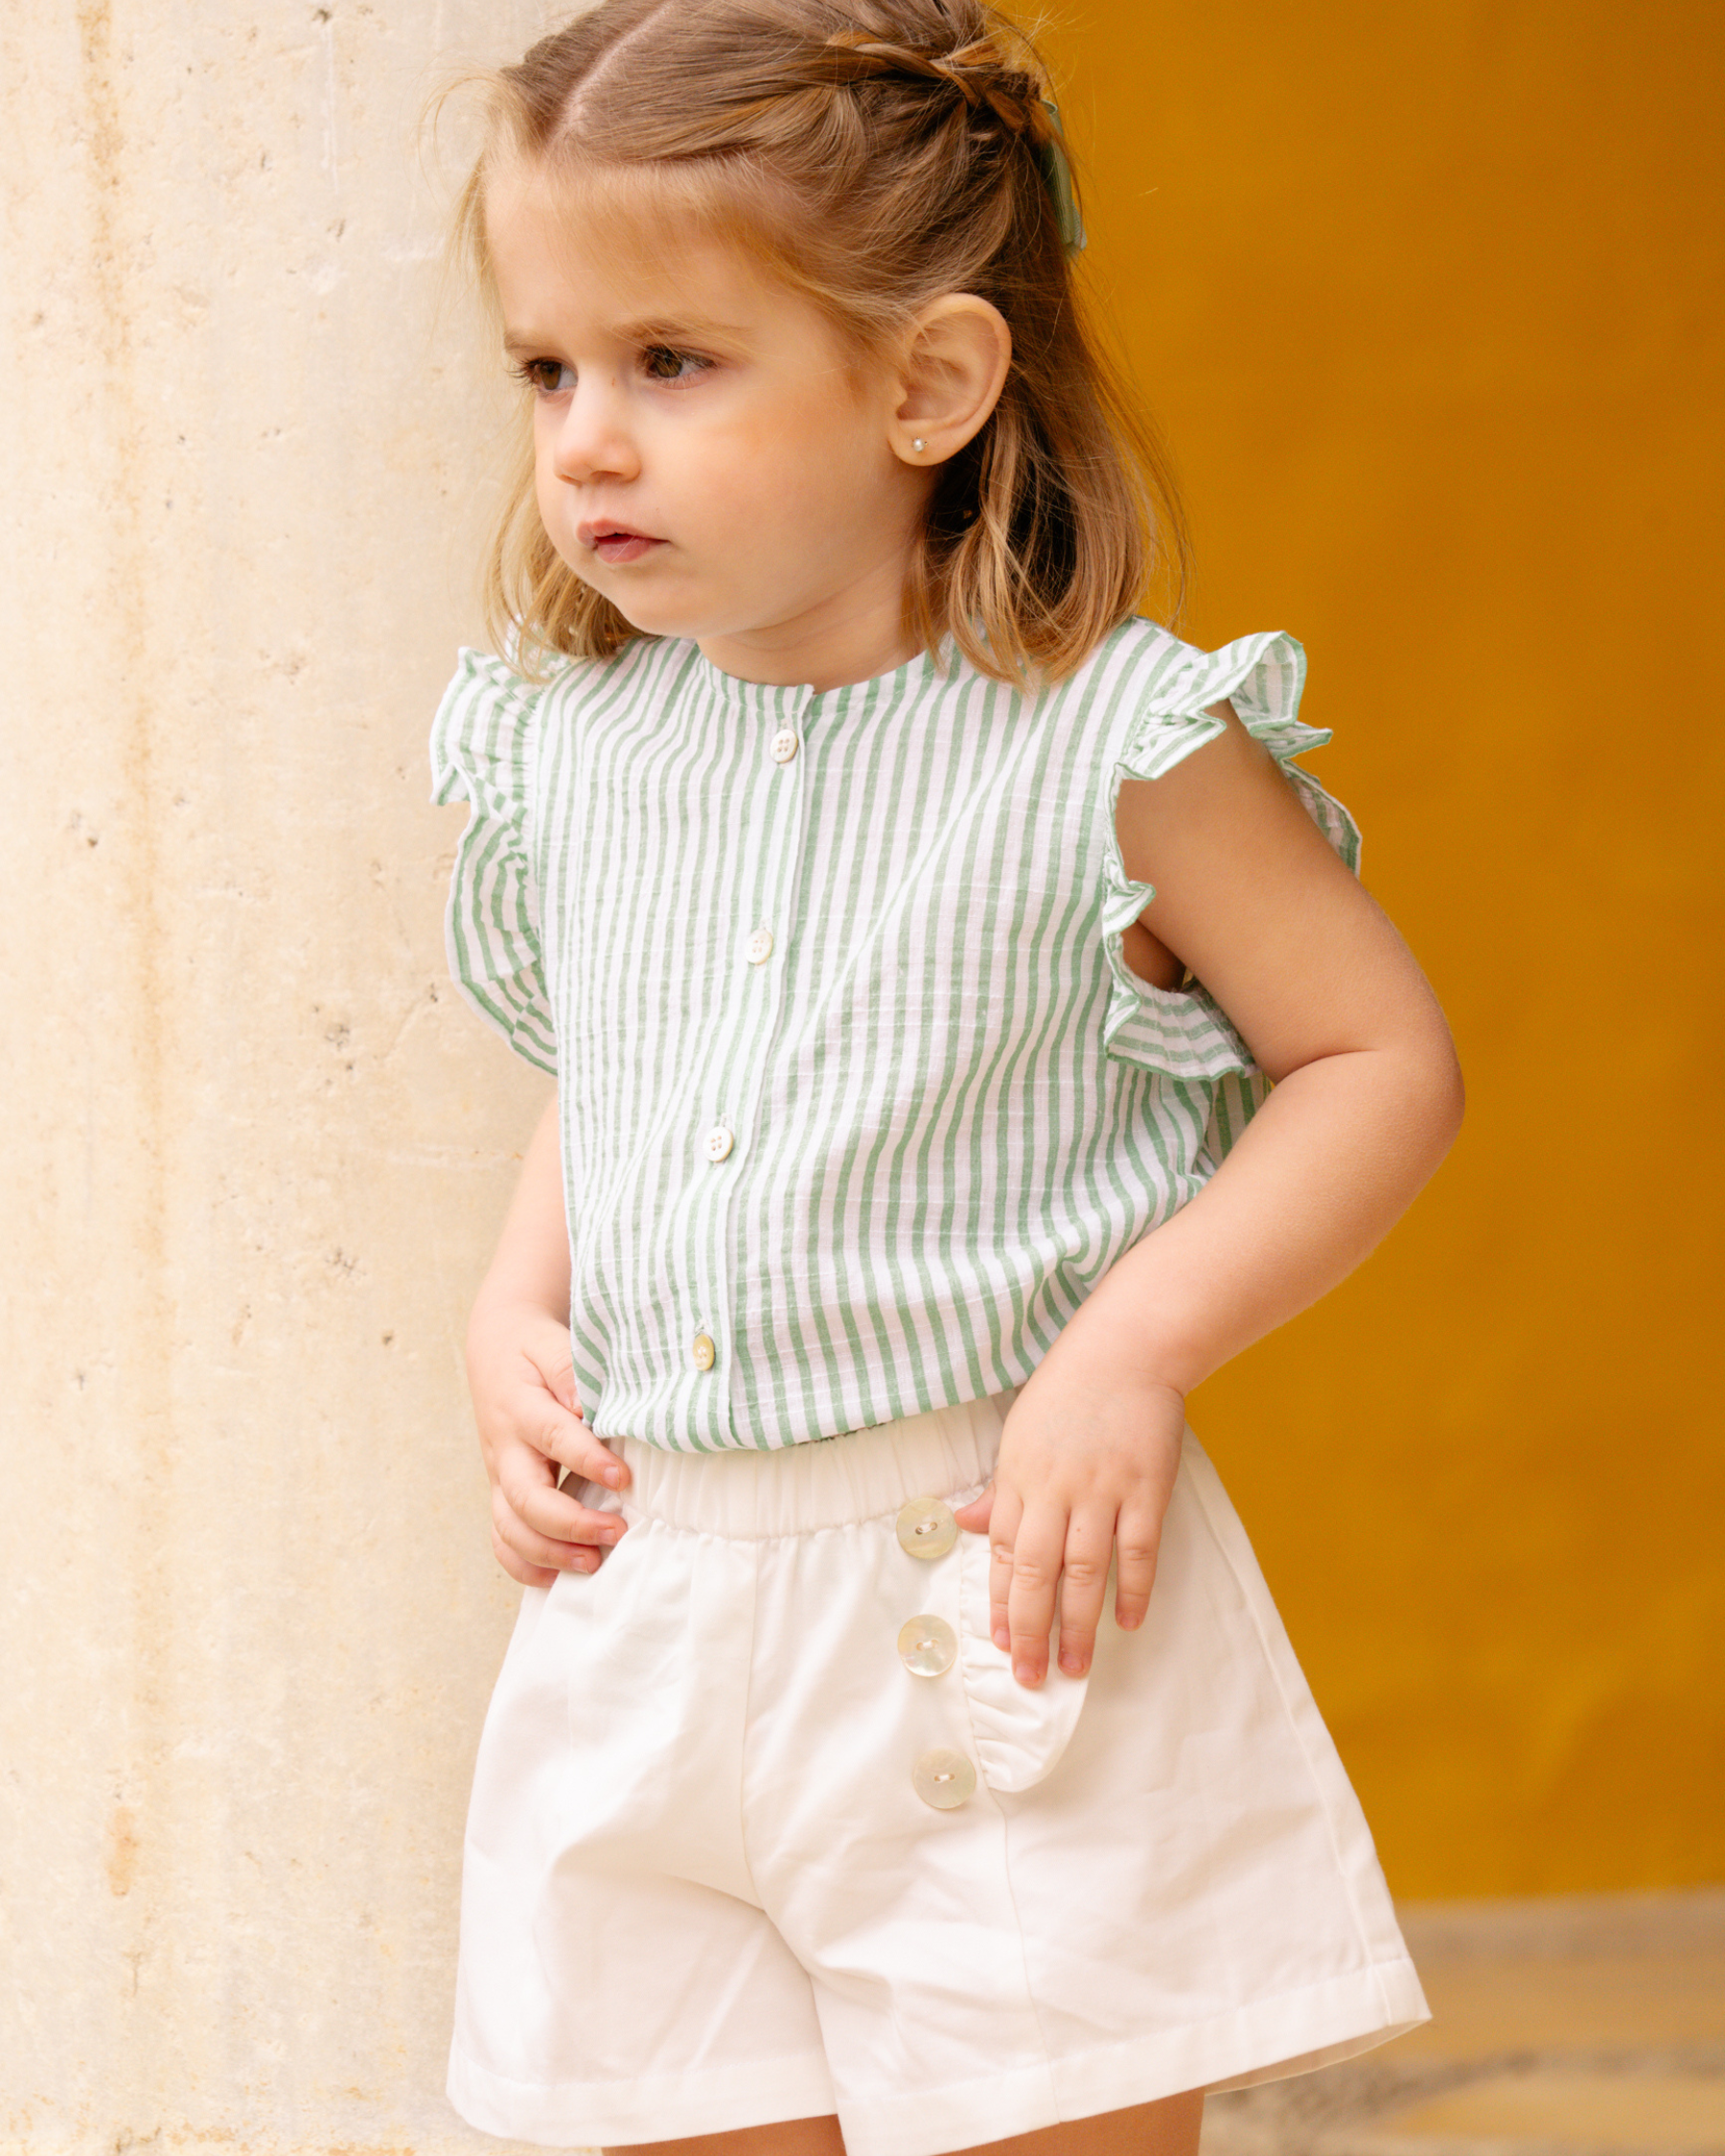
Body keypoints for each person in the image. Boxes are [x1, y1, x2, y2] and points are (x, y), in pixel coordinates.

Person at [427, 4, 1463, 2153]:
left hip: (986, 1605)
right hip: (649, 1620)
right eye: (550, 371)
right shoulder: (580, 741)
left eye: (671, 364)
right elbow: (628, 1065)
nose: (586, 443)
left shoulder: (1112, 745)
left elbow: (1374, 1057)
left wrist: (1130, 1352)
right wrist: (515, 1308)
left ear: (929, 382)